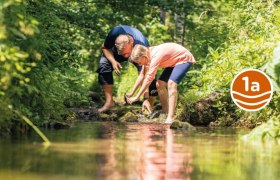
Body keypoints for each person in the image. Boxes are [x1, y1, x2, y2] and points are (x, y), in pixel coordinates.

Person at [126, 43, 196, 124]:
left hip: (184, 58)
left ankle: (170, 117)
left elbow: (149, 78)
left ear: (144, 57)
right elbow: (142, 76)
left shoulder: (155, 56)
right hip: (173, 62)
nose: (139, 64)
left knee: (171, 83)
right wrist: (132, 93)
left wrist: (137, 97)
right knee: (159, 84)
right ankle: (165, 112)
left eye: (139, 62)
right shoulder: (147, 55)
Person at [96, 25, 157, 113]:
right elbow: (105, 47)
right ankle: (109, 102)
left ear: (131, 42)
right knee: (103, 65)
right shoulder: (114, 33)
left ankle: (149, 104)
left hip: (137, 53)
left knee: (152, 74)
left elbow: (145, 75)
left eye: (126, 53)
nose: (125, 57)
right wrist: (113, 61)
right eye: (122, 54)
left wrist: (146, 97)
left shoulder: (142, 44)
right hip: (116, 53)